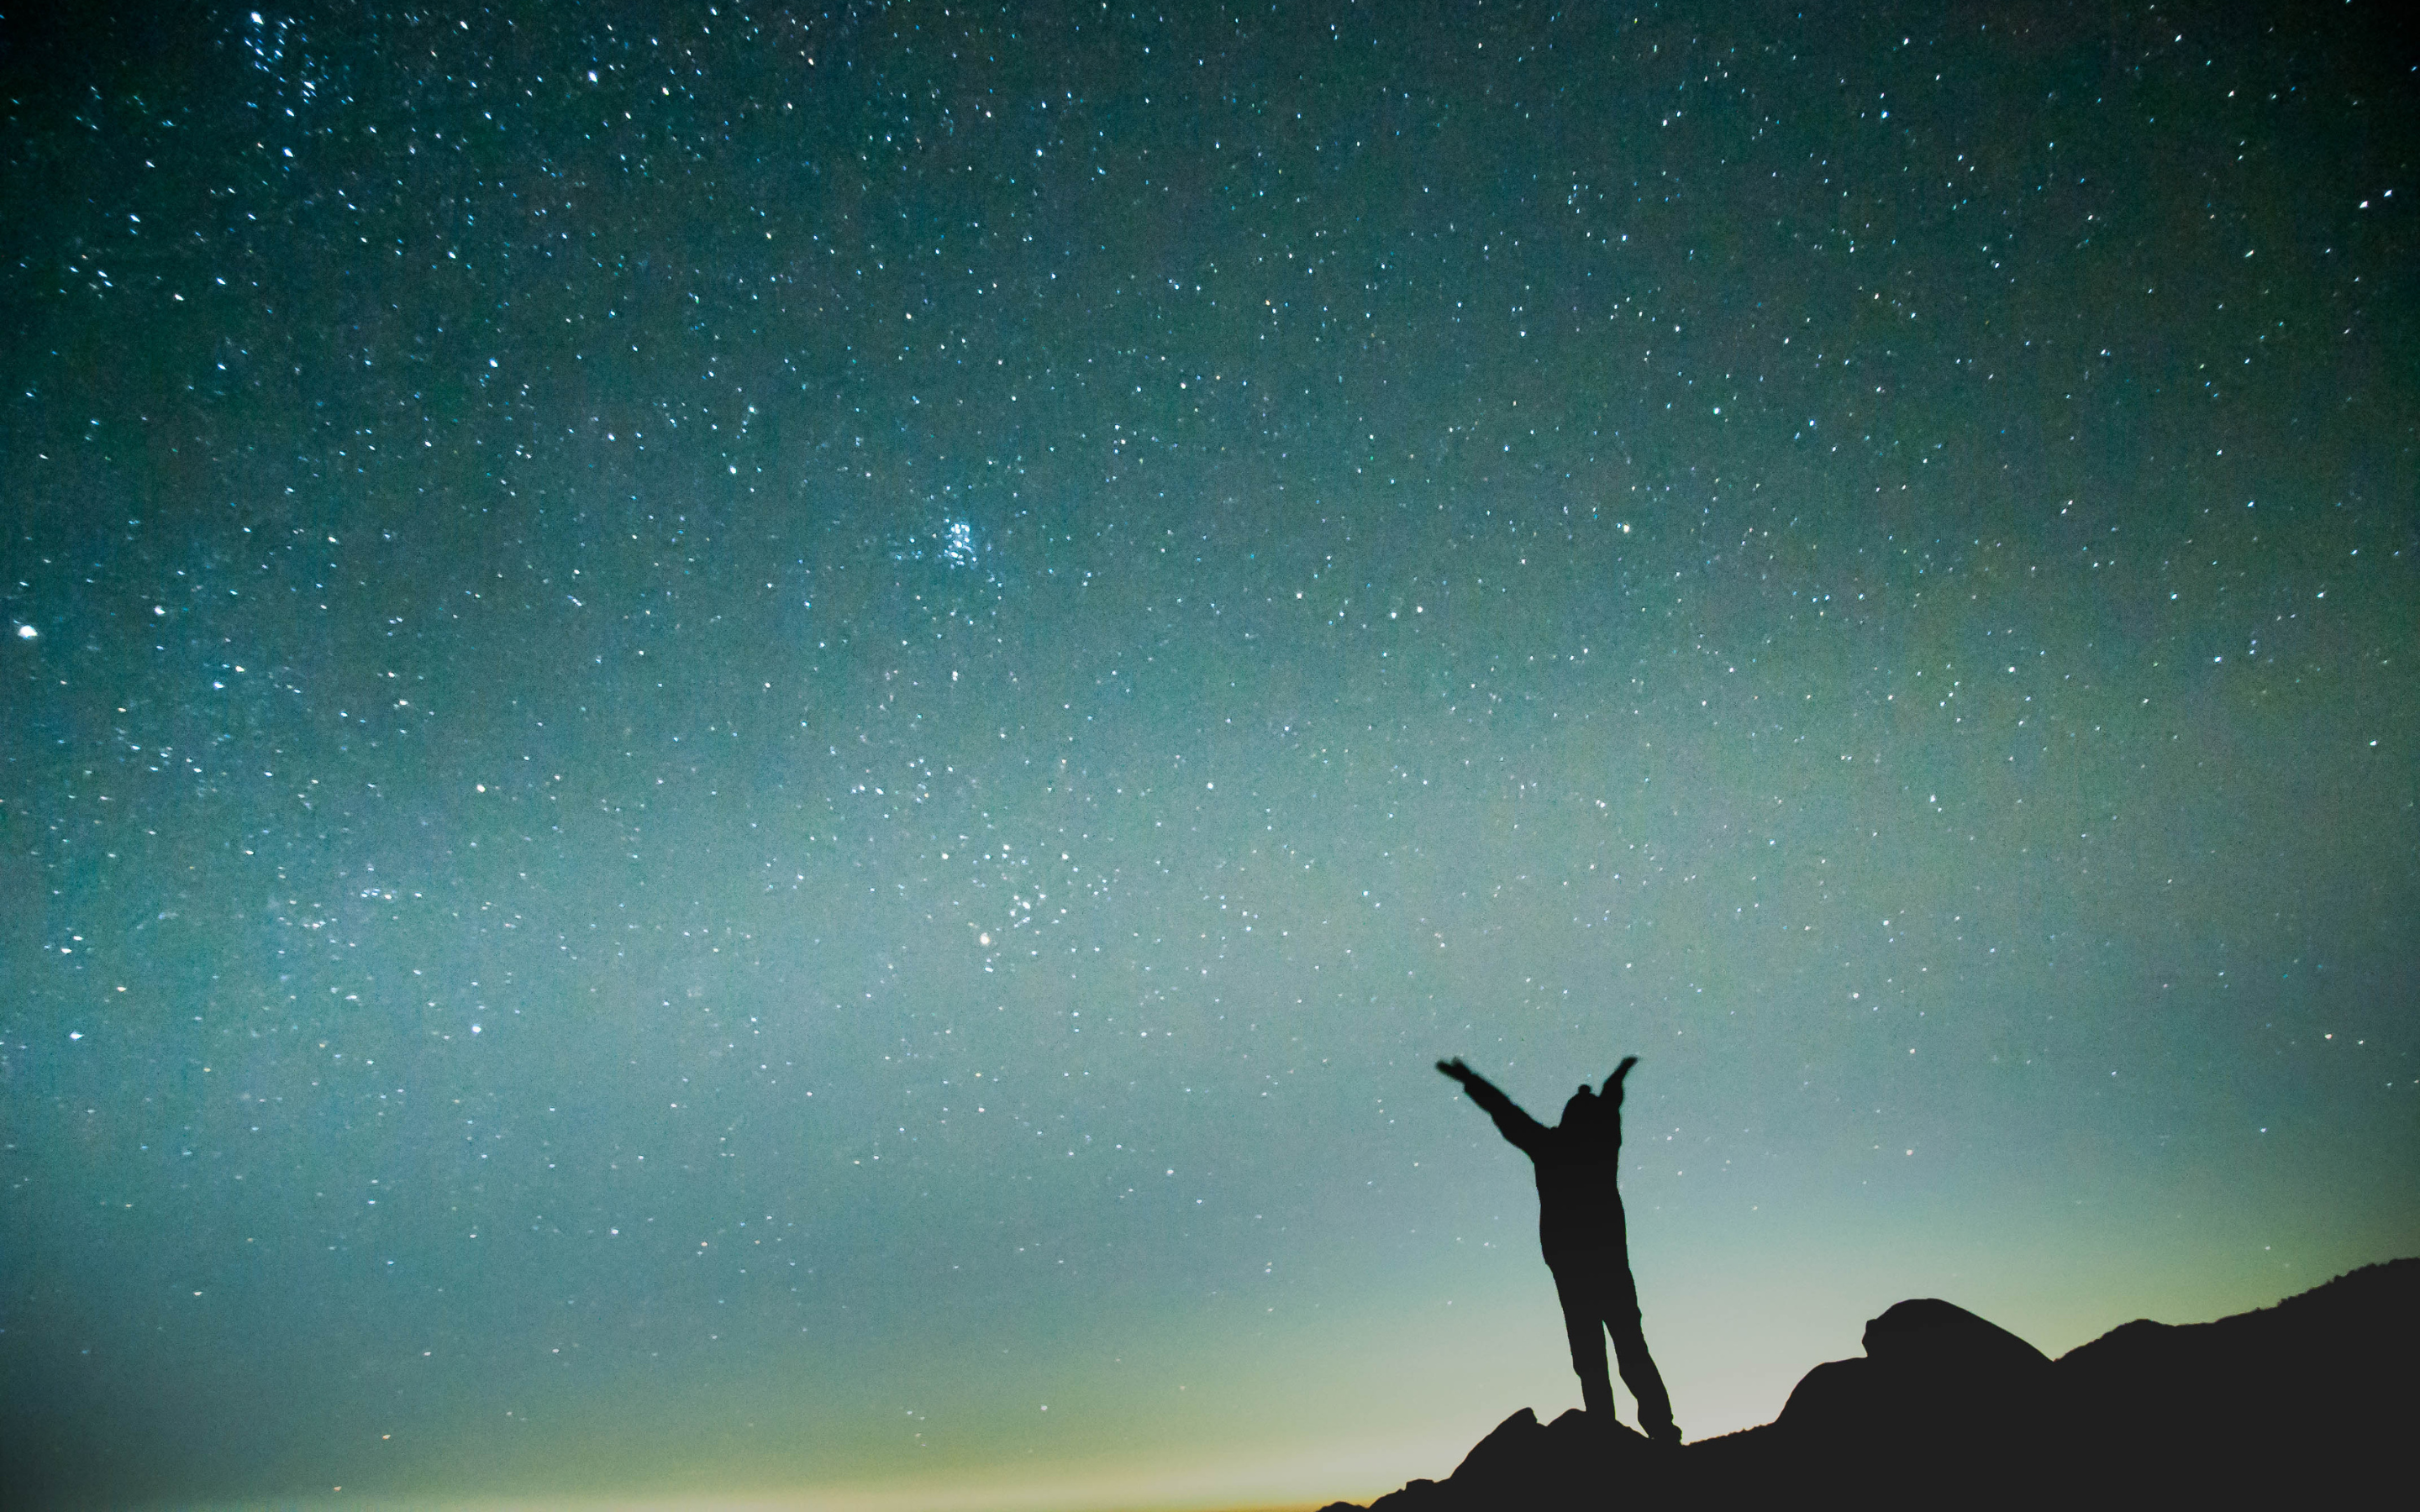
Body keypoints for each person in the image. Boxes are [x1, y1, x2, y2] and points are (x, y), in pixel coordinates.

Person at [1437, 1054, 1680, 1445]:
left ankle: (1609, 1440)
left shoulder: (1550, 1146)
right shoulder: (1602, 1148)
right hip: (1609, 1271)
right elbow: (1607, 1105)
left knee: (1594, 1362)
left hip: (1576, 1276)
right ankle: (1658, 1434)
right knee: (1627, 1354)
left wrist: (1470, 1080)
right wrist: (1614, 1079)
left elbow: (1506, 1112)